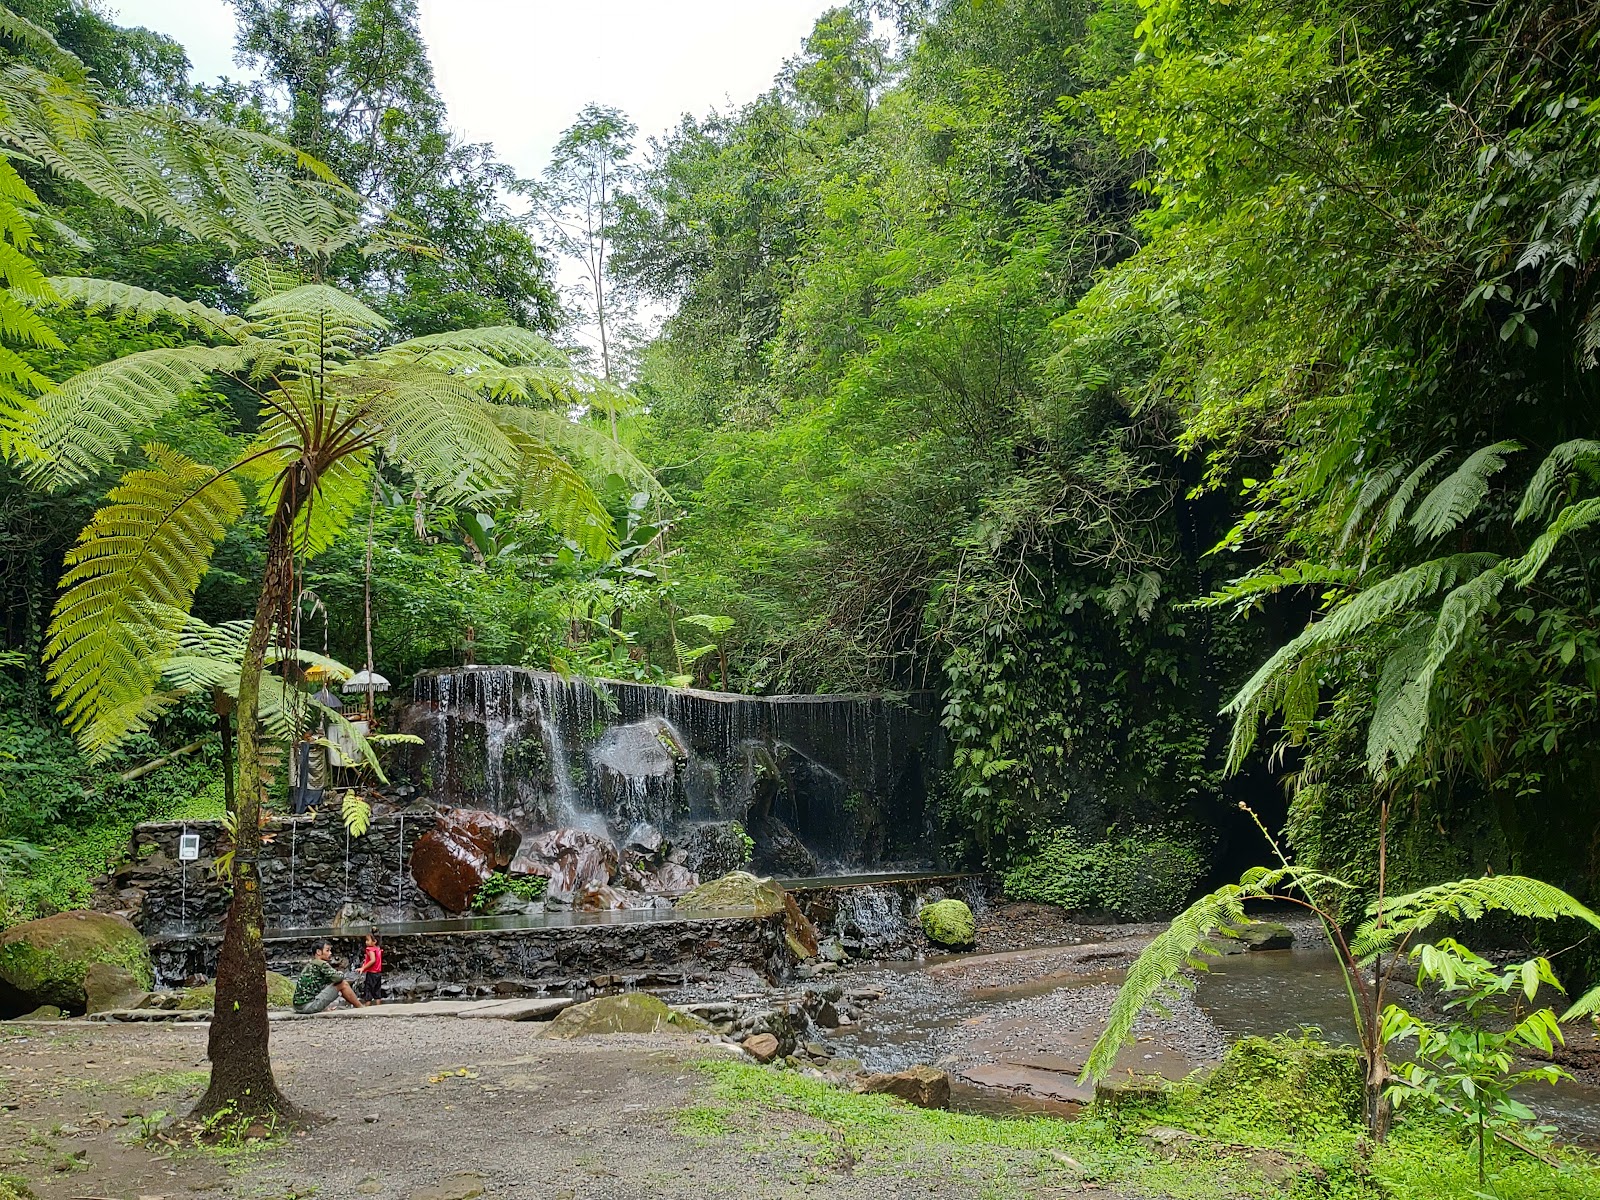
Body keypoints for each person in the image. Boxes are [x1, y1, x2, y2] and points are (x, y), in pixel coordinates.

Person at [292, 941, 364, 1014]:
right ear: (318, 952)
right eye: (327, 950)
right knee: (343, 984)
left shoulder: (311, 964)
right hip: (308, 1007)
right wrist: (340, 973)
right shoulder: (322, 964)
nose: (330, 953)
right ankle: (361, 1008)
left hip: (298, 1007)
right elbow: (338, 978)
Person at [357, 931, 383, 1004]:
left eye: (368, 940)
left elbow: (373, 960)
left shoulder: (370, 949)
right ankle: (378, 1006)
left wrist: (363, 968)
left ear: (374, 941)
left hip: (371, 974)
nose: (366, 942)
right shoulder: (378, 948)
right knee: (377, 992)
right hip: (378, 974)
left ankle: (367, 1006)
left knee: (368, 991)